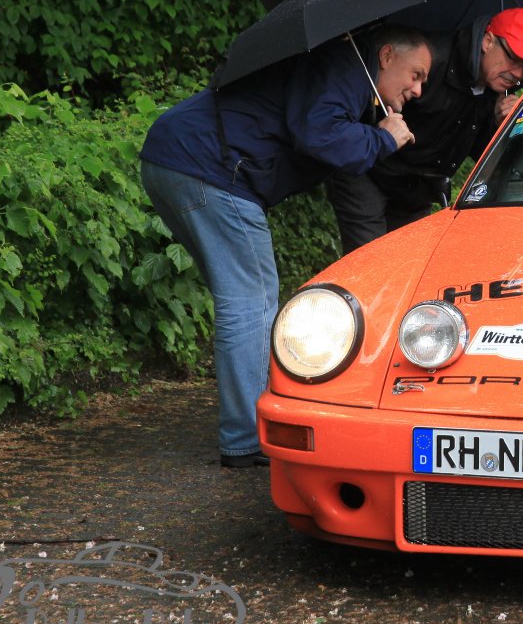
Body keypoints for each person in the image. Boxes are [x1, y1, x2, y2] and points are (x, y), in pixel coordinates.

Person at [140, 25, 432, 466]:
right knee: (251, 301)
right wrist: (383, 137)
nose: (418, 89)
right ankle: (246, 438)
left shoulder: (346, 75)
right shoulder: (343, 65)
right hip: (210, 169)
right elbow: (319, 135)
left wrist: (374, 128)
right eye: (416, 74)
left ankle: (245, 431)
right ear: (387, 56)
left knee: (241, 300)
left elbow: (319, 131)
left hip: (172, 158)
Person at [326, 7, 523, 254]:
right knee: (369, 262)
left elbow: (482, 156)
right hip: (367, 172)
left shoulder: (499, 91)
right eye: (513, 59)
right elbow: (365, 106)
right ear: (488, 41)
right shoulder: (429, 58)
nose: (517, 74)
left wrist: (500, 127)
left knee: (408, 268)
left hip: (416, 192)